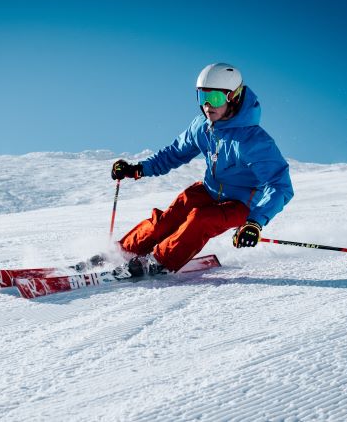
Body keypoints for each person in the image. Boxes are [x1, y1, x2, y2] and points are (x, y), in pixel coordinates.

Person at [109, 63, 293, 277]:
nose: (206, 105)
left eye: (214, 98)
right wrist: (137, 169)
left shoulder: (253, 141)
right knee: (171, 216)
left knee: (201, 219)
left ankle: (159, 262)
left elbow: (279, 185)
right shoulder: (202, 127)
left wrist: (255, 222)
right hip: (209, 190)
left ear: (233, 97)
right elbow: (174, 153)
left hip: (242, 203)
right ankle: (122, 252)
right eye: (201, 96)